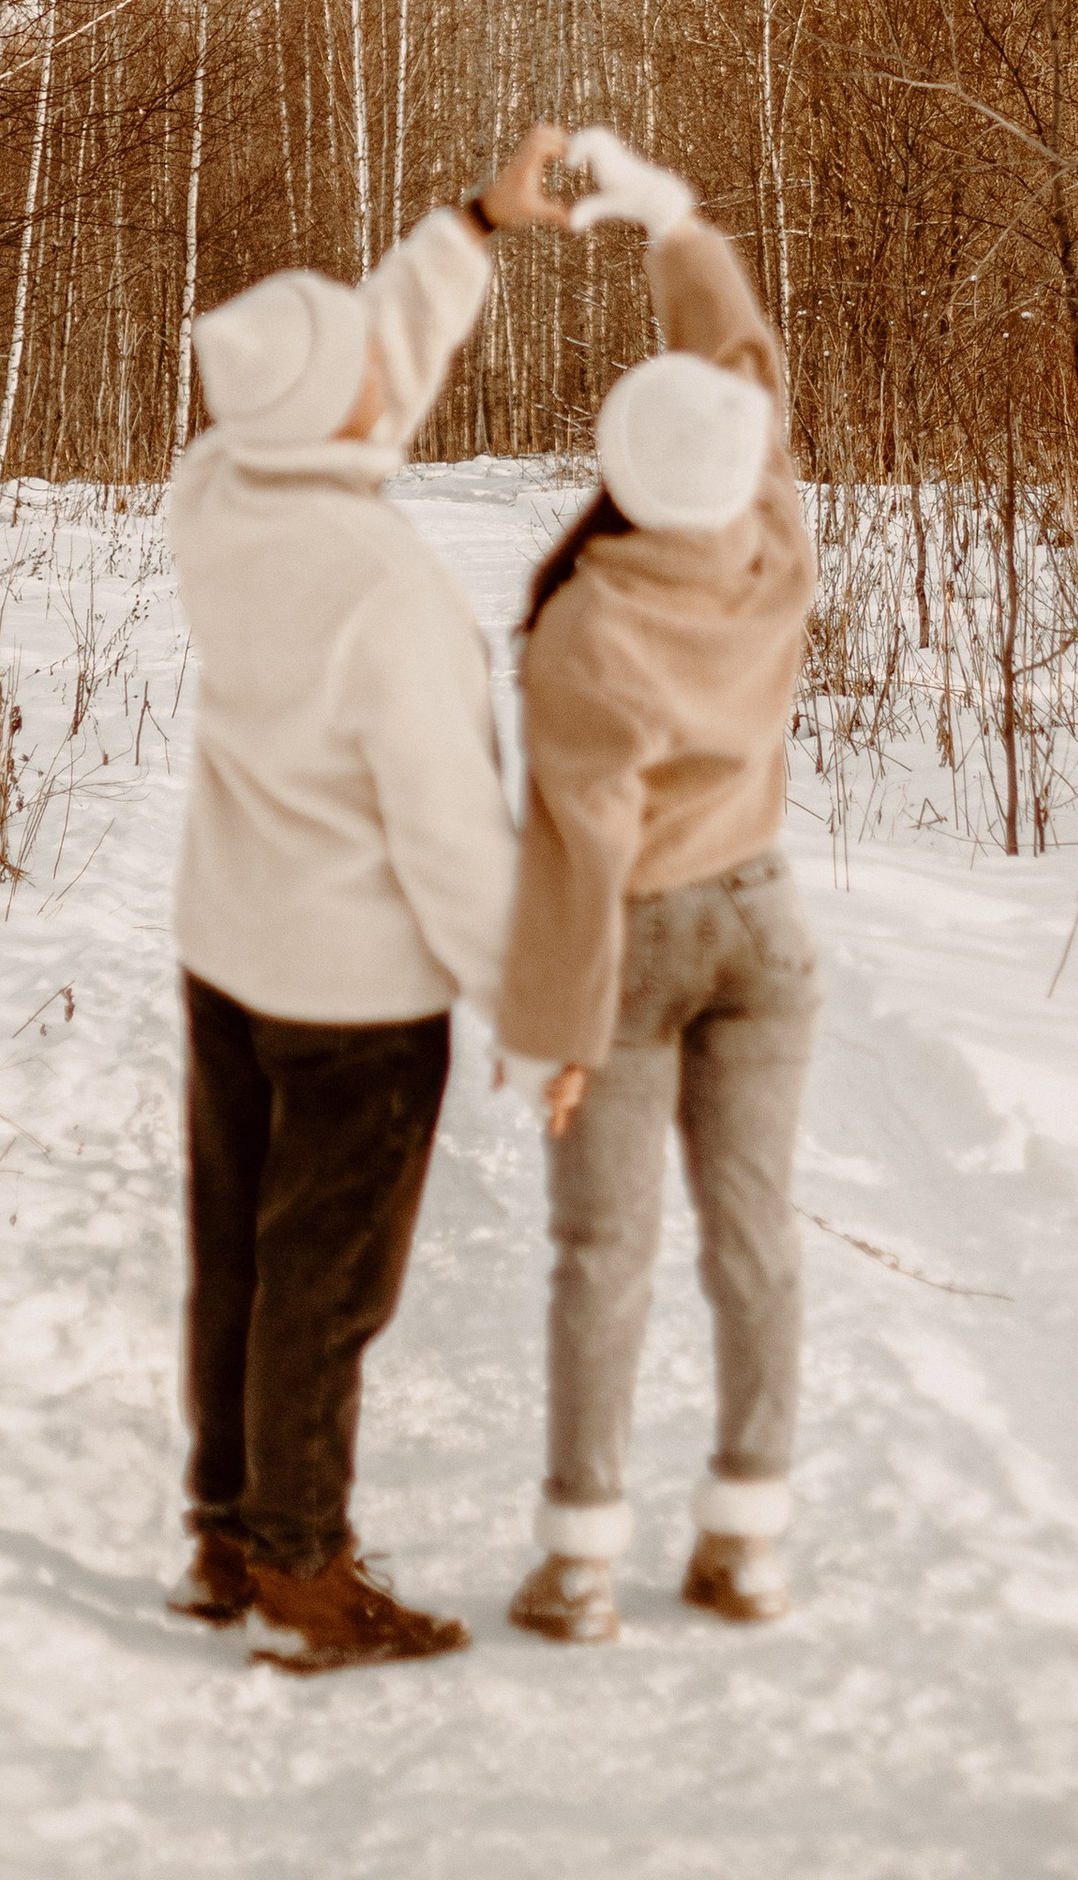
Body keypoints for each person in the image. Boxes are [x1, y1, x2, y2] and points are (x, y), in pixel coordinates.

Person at [164, 122, 572, 1677]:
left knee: (239, 1254)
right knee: (325, 1286)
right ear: (333, 403)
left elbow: (356, 372)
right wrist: (536, 1012)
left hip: (229, 956)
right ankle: (302, 1570)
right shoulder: (386, 594)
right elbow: (458, 847)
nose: (381, 377)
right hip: (354, 999)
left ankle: (224, 1520)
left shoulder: (220, 482)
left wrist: (476, 222)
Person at [496, 125, 820, 1649]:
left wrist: (552, 1031)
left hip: (631, 948)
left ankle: (578, 1564)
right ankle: (747, 1542)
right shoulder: (775, 543)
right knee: (753, 1239)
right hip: (764, 928)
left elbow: (583, 849)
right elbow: (744, 360)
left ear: (614, 467)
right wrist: (676, 220)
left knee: (602, 1251)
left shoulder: (587, 623)